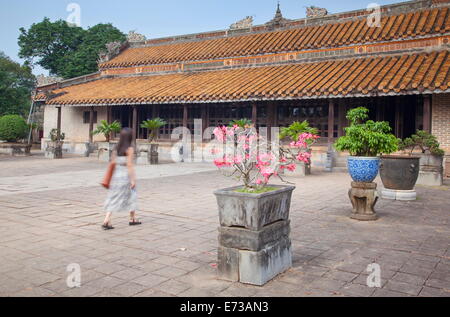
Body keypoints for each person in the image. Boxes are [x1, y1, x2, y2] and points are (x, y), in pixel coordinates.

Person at [102, 128, 141, 230]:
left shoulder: (116, 148)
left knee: (113, 198)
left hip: (116, 176)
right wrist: (133, 180)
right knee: (132, 196)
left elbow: (113, 162)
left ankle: (106, 219)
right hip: (125, 177)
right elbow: (129, 165)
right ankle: (132, 219)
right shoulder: (130, 149)